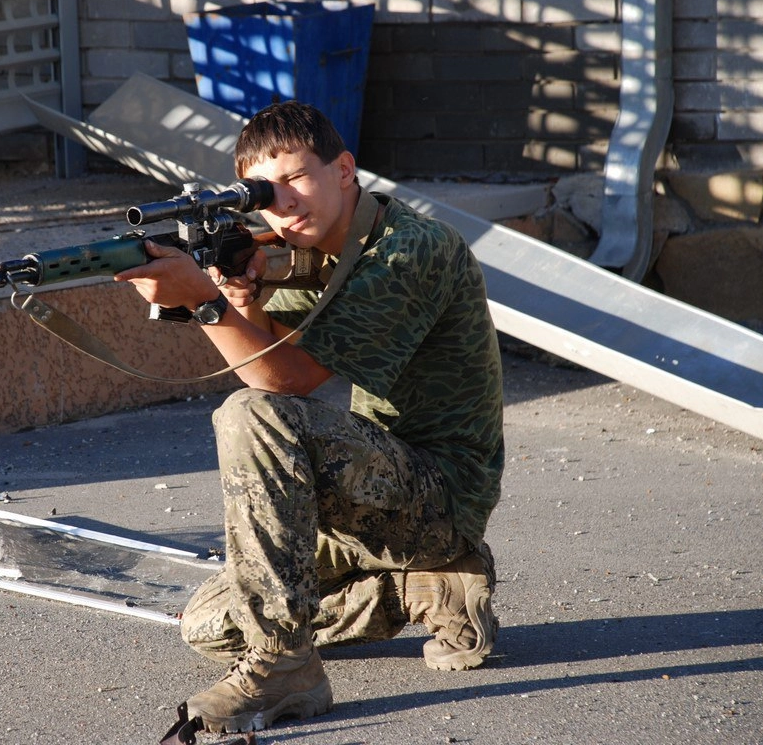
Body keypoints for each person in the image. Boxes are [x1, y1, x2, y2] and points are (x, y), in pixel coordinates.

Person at [116, 101, 504, 734]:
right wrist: (240, 296)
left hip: (440, 497)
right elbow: (275, 352)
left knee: (250, 415)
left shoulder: (412, 250)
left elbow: (286, 384)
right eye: (264, 194)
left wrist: (205, 303)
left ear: (344, 169)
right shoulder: (306, 251)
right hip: (366, 493)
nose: (284, 202)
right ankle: (418, 589)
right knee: (207, 624)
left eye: (296, 177)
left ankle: (285, 664)